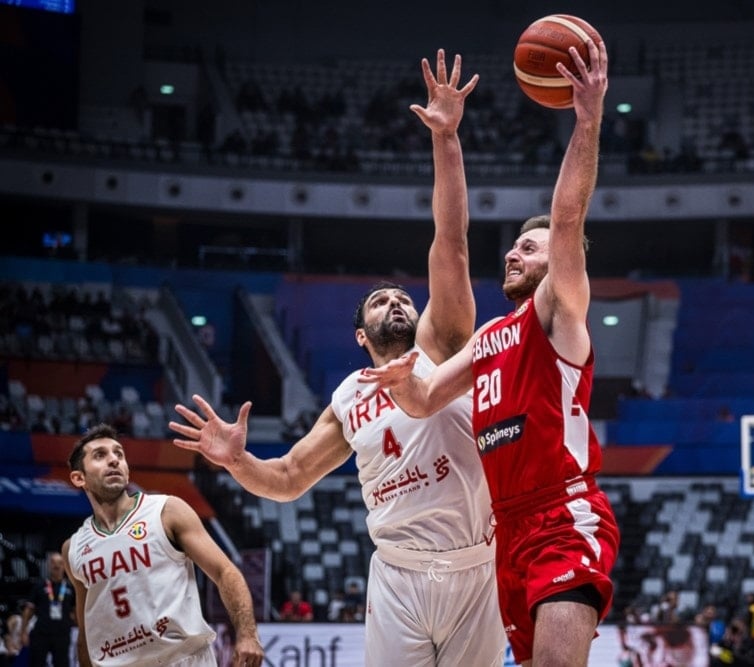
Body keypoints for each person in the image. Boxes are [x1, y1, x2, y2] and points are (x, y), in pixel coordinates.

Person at [169, 50, 506, 666]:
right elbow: (290, 479)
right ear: (361, 335)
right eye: (381, 301)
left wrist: (448, 140)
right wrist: (238, 460)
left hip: (477, 567)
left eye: (404, 298)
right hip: (398, 576)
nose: (397, 302)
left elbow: (450, 240)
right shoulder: (350, 397)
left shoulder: (445, 342)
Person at [360, 36, 620, 666]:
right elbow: (423, 398)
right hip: (507, 533)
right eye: (515, 248)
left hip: (562, 512)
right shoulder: (488, 338)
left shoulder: (558, 315)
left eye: (528, 250)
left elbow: (565, 221)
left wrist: (587, 120)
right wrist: (397, 379)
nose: (514, 253)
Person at [62, 423, 263, 667]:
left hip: (182, 660)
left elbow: (225, 572)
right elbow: (87, 630)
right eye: (100, 455)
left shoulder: (166, 511)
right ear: (78, 477)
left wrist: (247, 634)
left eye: (119, 454)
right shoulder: (73, 548)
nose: (114, 460)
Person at [19, 552, 74, 667]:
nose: (56, 566)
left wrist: (82, 633)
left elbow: (75, 611)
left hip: (62, 634)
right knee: (37, 663)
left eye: (60, 563)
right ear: (49, 565)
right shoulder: (39, 585)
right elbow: (29, 611)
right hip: (41, 633)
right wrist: (23, 632)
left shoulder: (70, 588)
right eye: (53, 563)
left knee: (62, 664)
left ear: (64, 566)